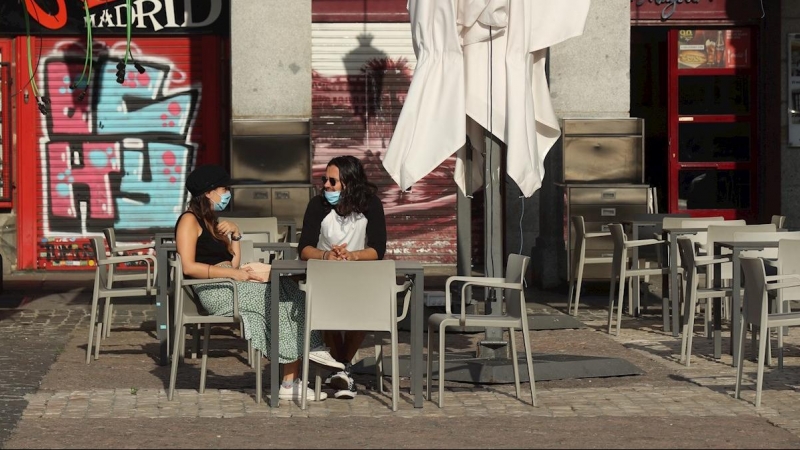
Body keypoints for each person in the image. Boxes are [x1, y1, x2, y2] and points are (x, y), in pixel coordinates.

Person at [175, 164, 344, 402]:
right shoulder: (188, 221)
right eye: (224, 189)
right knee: (277, 298)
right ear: (209, 191)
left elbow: (233, 264)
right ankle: (292, 377)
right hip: (214, 289)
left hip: (228, 281)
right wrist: (233, 275)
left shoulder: (212, 222)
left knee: (293, 292)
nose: (227, 194)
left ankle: (307, 355)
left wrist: (235, 235)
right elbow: (188, 267)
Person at [298, 155, 387, 399]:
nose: (326, 185)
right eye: (324, 179)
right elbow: (304, 247)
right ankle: (344, 370)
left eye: (332, 181)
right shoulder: (317, 205)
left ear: (349, 183)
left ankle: (340, 366)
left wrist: (353, 255)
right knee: (326, 310)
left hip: (359, 276)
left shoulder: (371, 205)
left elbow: (378, 249)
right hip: (323, 276)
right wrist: (327, 255)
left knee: (363, 310)